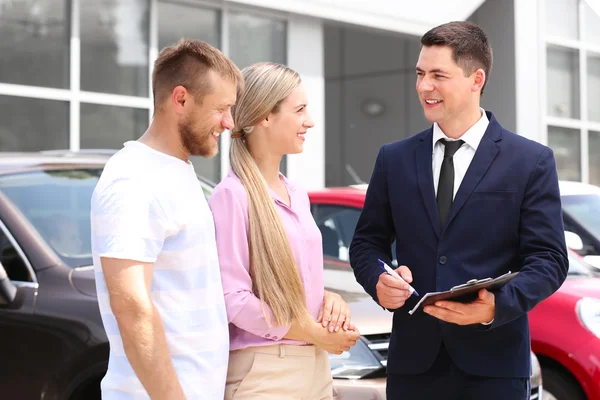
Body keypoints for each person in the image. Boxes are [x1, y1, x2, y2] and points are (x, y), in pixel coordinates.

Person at [349, 21, 568, 400]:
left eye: (437, 75)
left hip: (494, 368)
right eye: (420, 74)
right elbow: (367, 244)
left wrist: (495, 307)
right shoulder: (394, 159)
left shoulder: (530, 161)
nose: (423, 87)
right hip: (413, 369)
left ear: (475, 79)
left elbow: (549, 259)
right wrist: (378, 282)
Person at [90, 39, 242, 399]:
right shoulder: (133, 179)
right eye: (221, 108)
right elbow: (131, 308)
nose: (229, 122)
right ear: (181, 99)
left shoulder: (176, 171)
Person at [208, 62, 360, 400]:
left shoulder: (297, 194)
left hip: (316, 368)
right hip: (265, 373)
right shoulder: (231, 196)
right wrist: (311, 330)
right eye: (300, 110)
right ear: (264, 116)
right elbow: (233, 299)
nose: (310, 121)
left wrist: (329, 301)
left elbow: (298, 279)